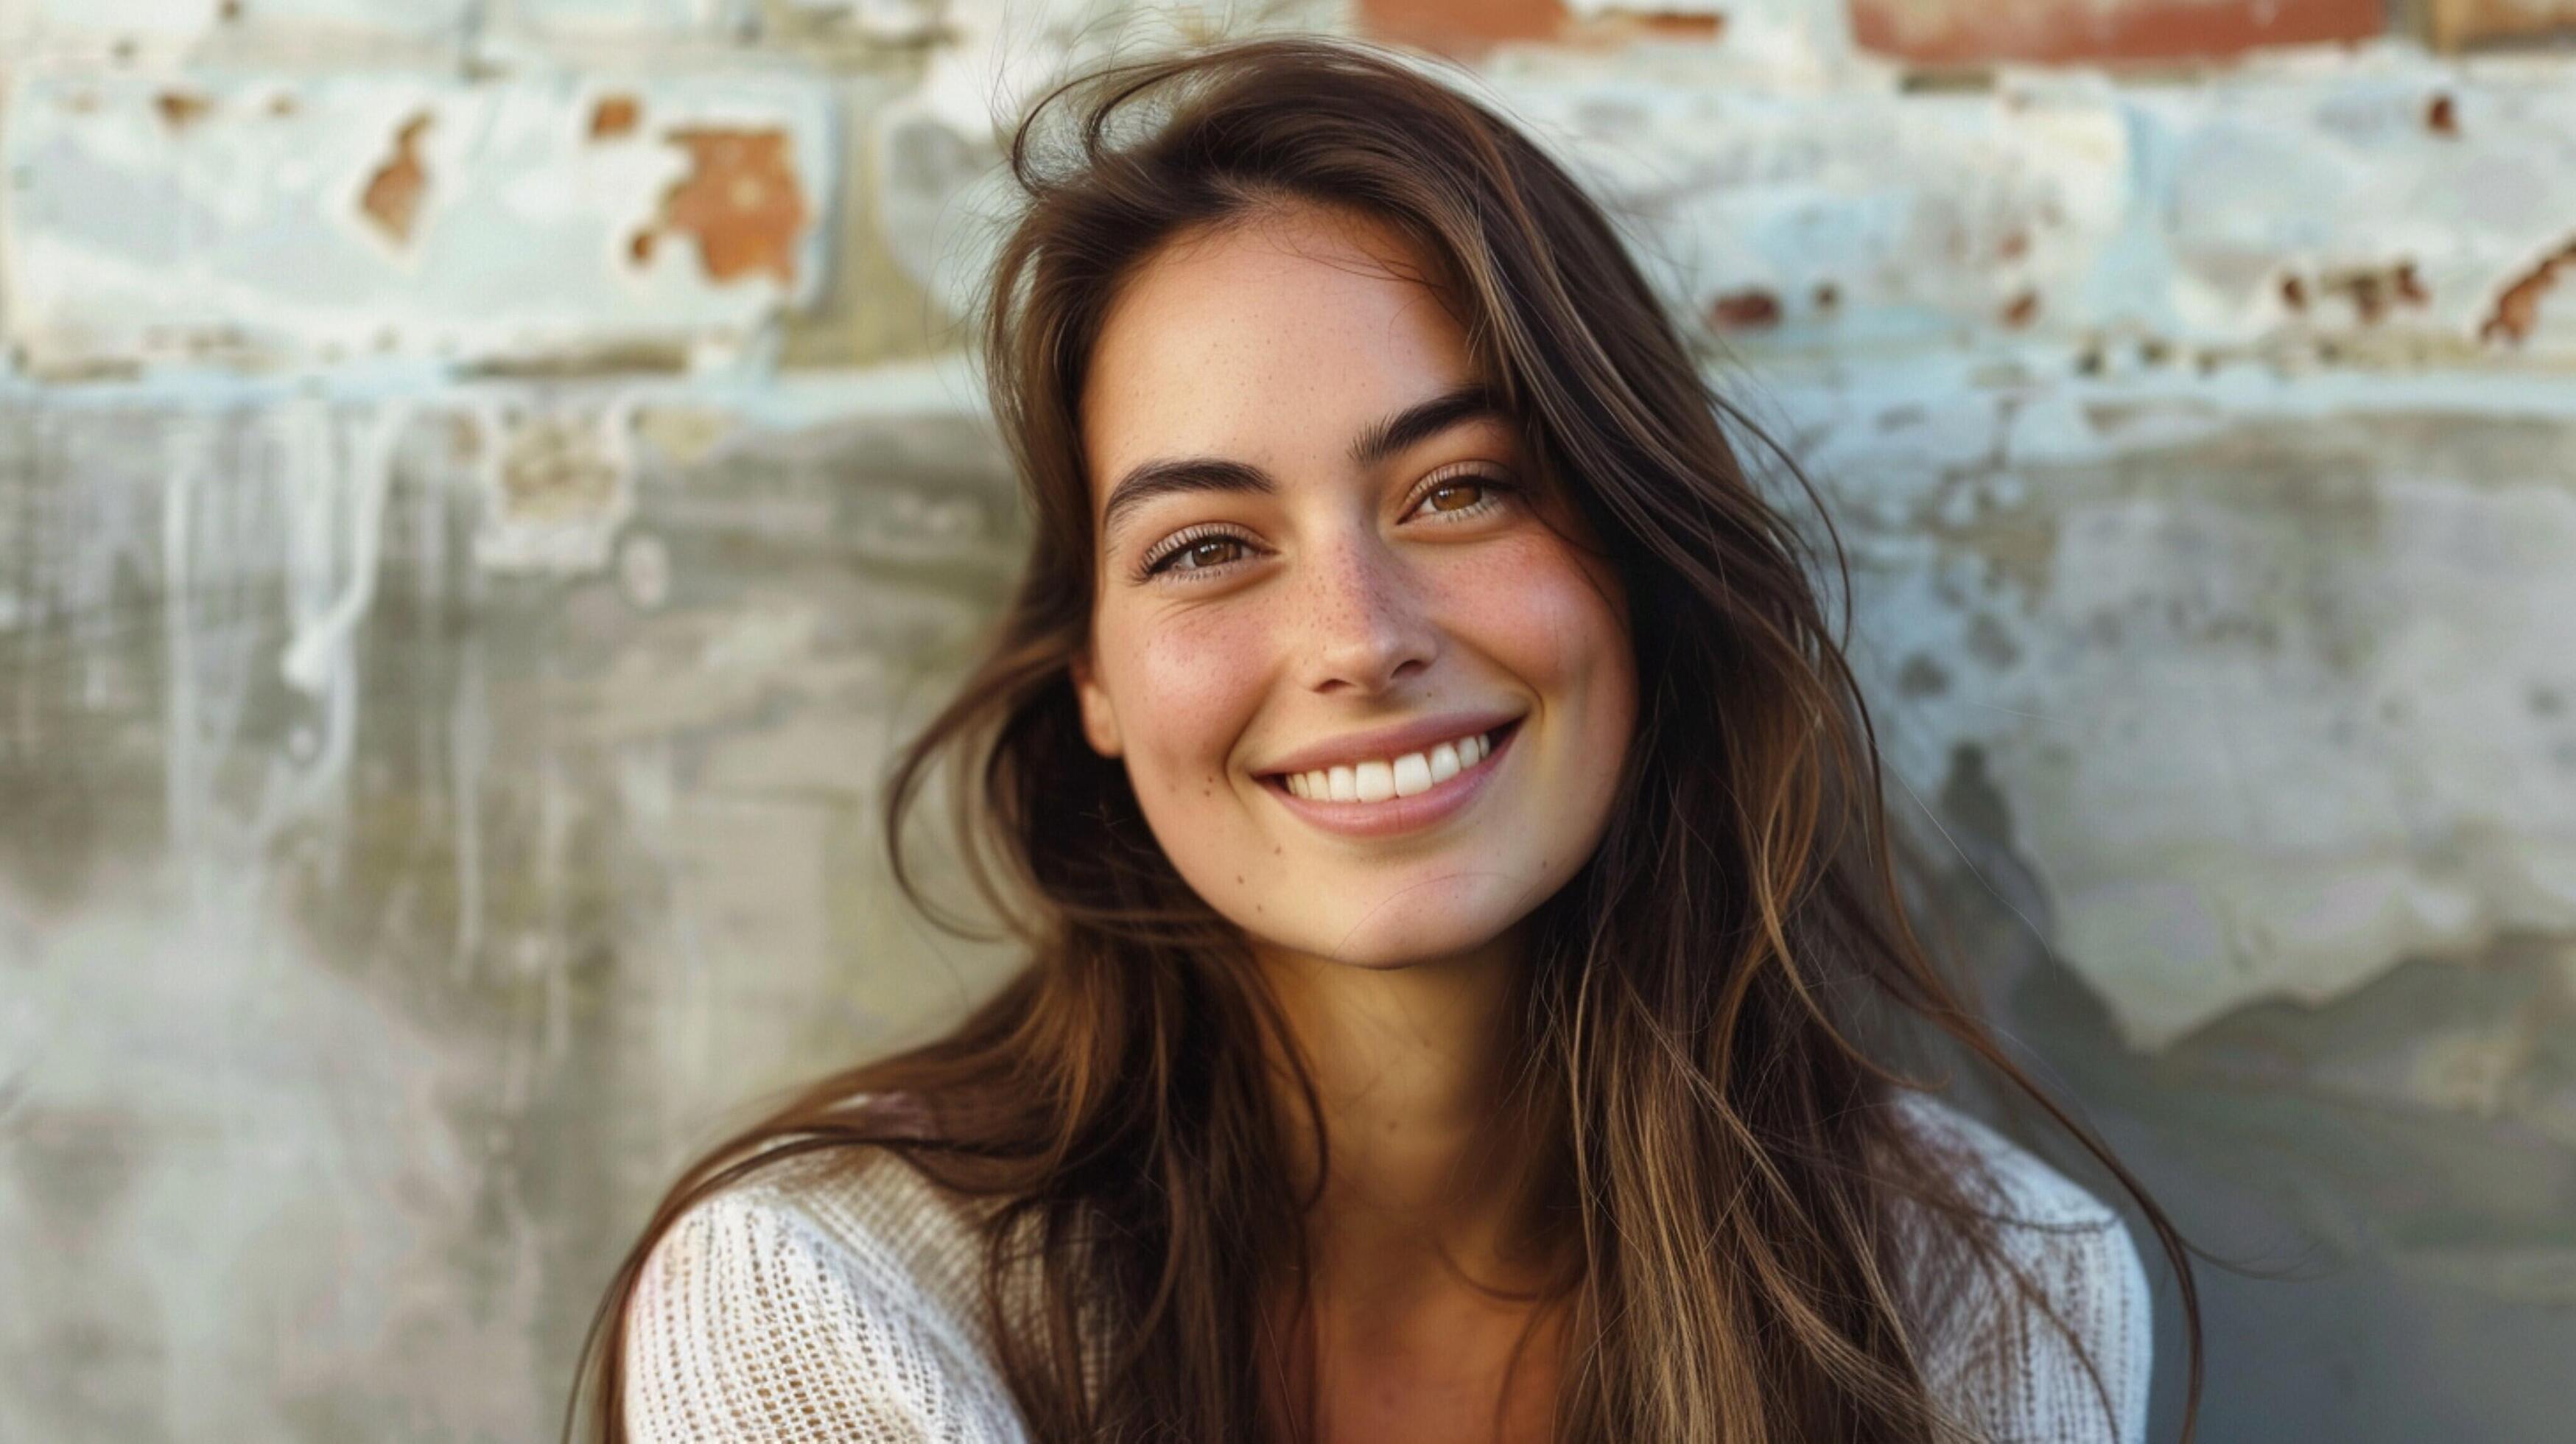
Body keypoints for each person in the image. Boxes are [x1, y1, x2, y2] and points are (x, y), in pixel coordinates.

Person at [569, 34, 2202, 1444]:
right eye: (1208, 543)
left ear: (1637, 566)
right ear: (1098, 686)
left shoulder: (1984, 1287)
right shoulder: (822, 1296)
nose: (1360, 634)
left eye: (1461, 489)